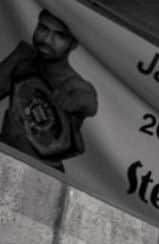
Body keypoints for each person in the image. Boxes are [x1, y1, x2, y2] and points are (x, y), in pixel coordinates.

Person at [0, 9, 98, 171]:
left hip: (41, 174)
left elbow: (89, 103)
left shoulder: (74, 85)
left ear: (73, 44)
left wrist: (75, 102)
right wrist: (14, 59)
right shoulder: (23, 62)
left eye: (59, 36)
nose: (46, 40)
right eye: (43, 29)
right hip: (5, 155)